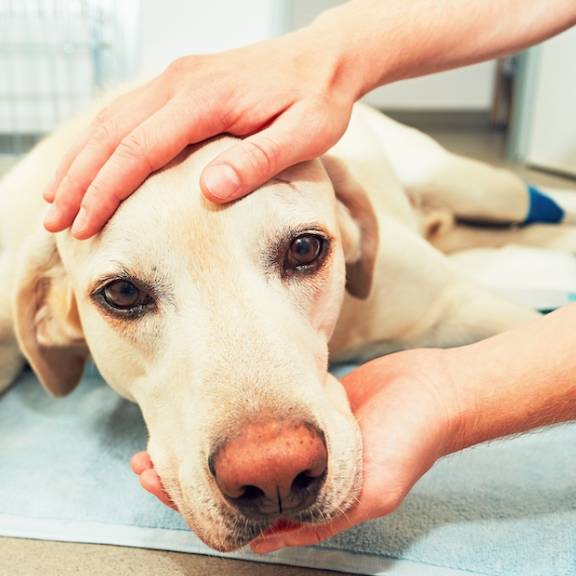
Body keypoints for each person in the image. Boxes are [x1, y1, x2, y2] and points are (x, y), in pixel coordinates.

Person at [43, 0, 576, 553]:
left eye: (301, 252)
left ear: (354, 234)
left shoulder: (362, 235)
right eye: (127, 294)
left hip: (383, 158)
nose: (271, 460)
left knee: (490, 194)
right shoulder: (50, 240)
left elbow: (465, 308)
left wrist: (333, 54)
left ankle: (552, 208)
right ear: (58, 313)